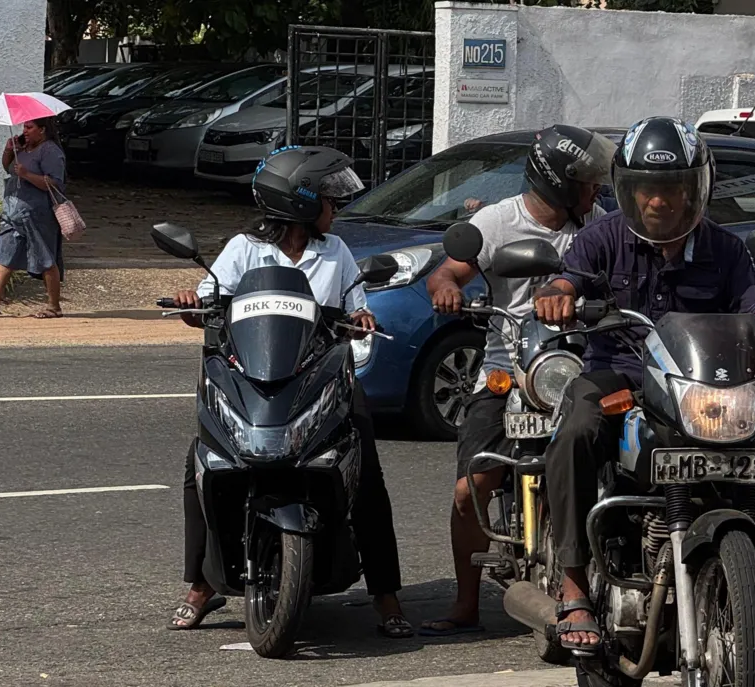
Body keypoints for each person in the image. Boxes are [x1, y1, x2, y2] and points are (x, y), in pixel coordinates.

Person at [535, 116, 755, 687]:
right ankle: (572, 581)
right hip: (620, 382)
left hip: (701, 395)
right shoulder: (600, 240)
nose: (658, 198)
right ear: (627, 189)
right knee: (576, 427)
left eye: (672, 187)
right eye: (647, 187)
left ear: (693, 189)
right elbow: (567, 278)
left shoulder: (727, 250)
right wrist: (560, 293)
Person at [166, 146, 413, 639]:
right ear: (298, 203)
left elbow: (354, 311)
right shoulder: (244, 248)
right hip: (251, 375)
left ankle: (385, 595)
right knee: (203, 465)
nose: (334, 208)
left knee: (364, 472)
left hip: (319, 376)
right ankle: (201, 584)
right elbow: (210, 300)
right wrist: (193, 303)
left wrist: (361, 320)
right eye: (327, 199)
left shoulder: (336, 252)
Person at [422, 125, 614, 636]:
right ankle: (466, 602)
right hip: (508, 369)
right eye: (588, 182)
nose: (596, 191)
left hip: (577, 368)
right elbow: (446, 272)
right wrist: (445, 290)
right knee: (470, 489)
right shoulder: (498, 222)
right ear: (558, 182)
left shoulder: (600, 227)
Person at [0, 118, 68, 319]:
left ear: (42, 130)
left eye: (29, 127)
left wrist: (27, 174)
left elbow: (54, 183)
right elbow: (9, 169)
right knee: (4, 255)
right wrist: (8, 151)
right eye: (24, 127)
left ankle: (54, 306)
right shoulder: (23, 148)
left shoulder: (50, 151)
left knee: (45, 258)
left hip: (37, 214)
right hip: (14, 213)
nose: (25, 131)